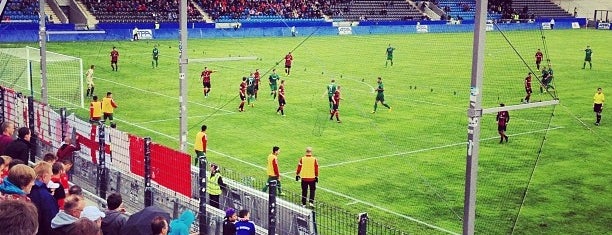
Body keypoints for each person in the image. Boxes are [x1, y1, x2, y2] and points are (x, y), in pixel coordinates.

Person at [29, 161, 60, 235]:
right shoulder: (45, 196)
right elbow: (52, 221)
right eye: (50, 176)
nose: (51, 178)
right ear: (44, 177)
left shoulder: (27, 188)